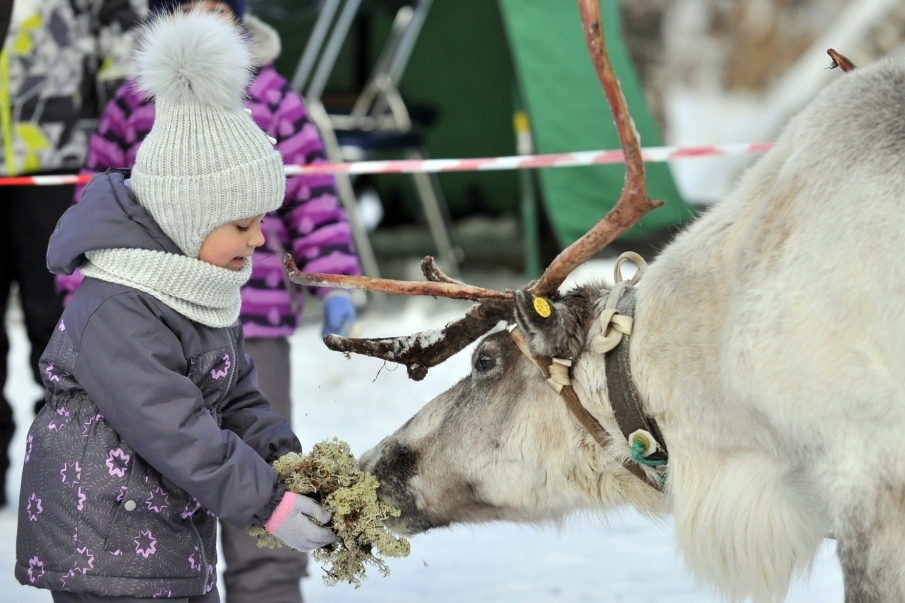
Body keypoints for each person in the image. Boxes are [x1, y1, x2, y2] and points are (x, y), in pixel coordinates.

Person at [15, 9, 338, 602]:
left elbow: (236, 395)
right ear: (189, 216)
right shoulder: (119, 308)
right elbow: (176, 429)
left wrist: (288, 465)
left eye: (263, 221)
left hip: (166, 534)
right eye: (243, 223)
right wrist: (269, 502)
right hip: (105, 549)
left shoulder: (199, 288)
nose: (261, 239)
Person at [0, 0, 141, 509]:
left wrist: (116, 164)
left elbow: (129, 65)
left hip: (57, 168)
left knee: (57, 325)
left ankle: (66, 471)